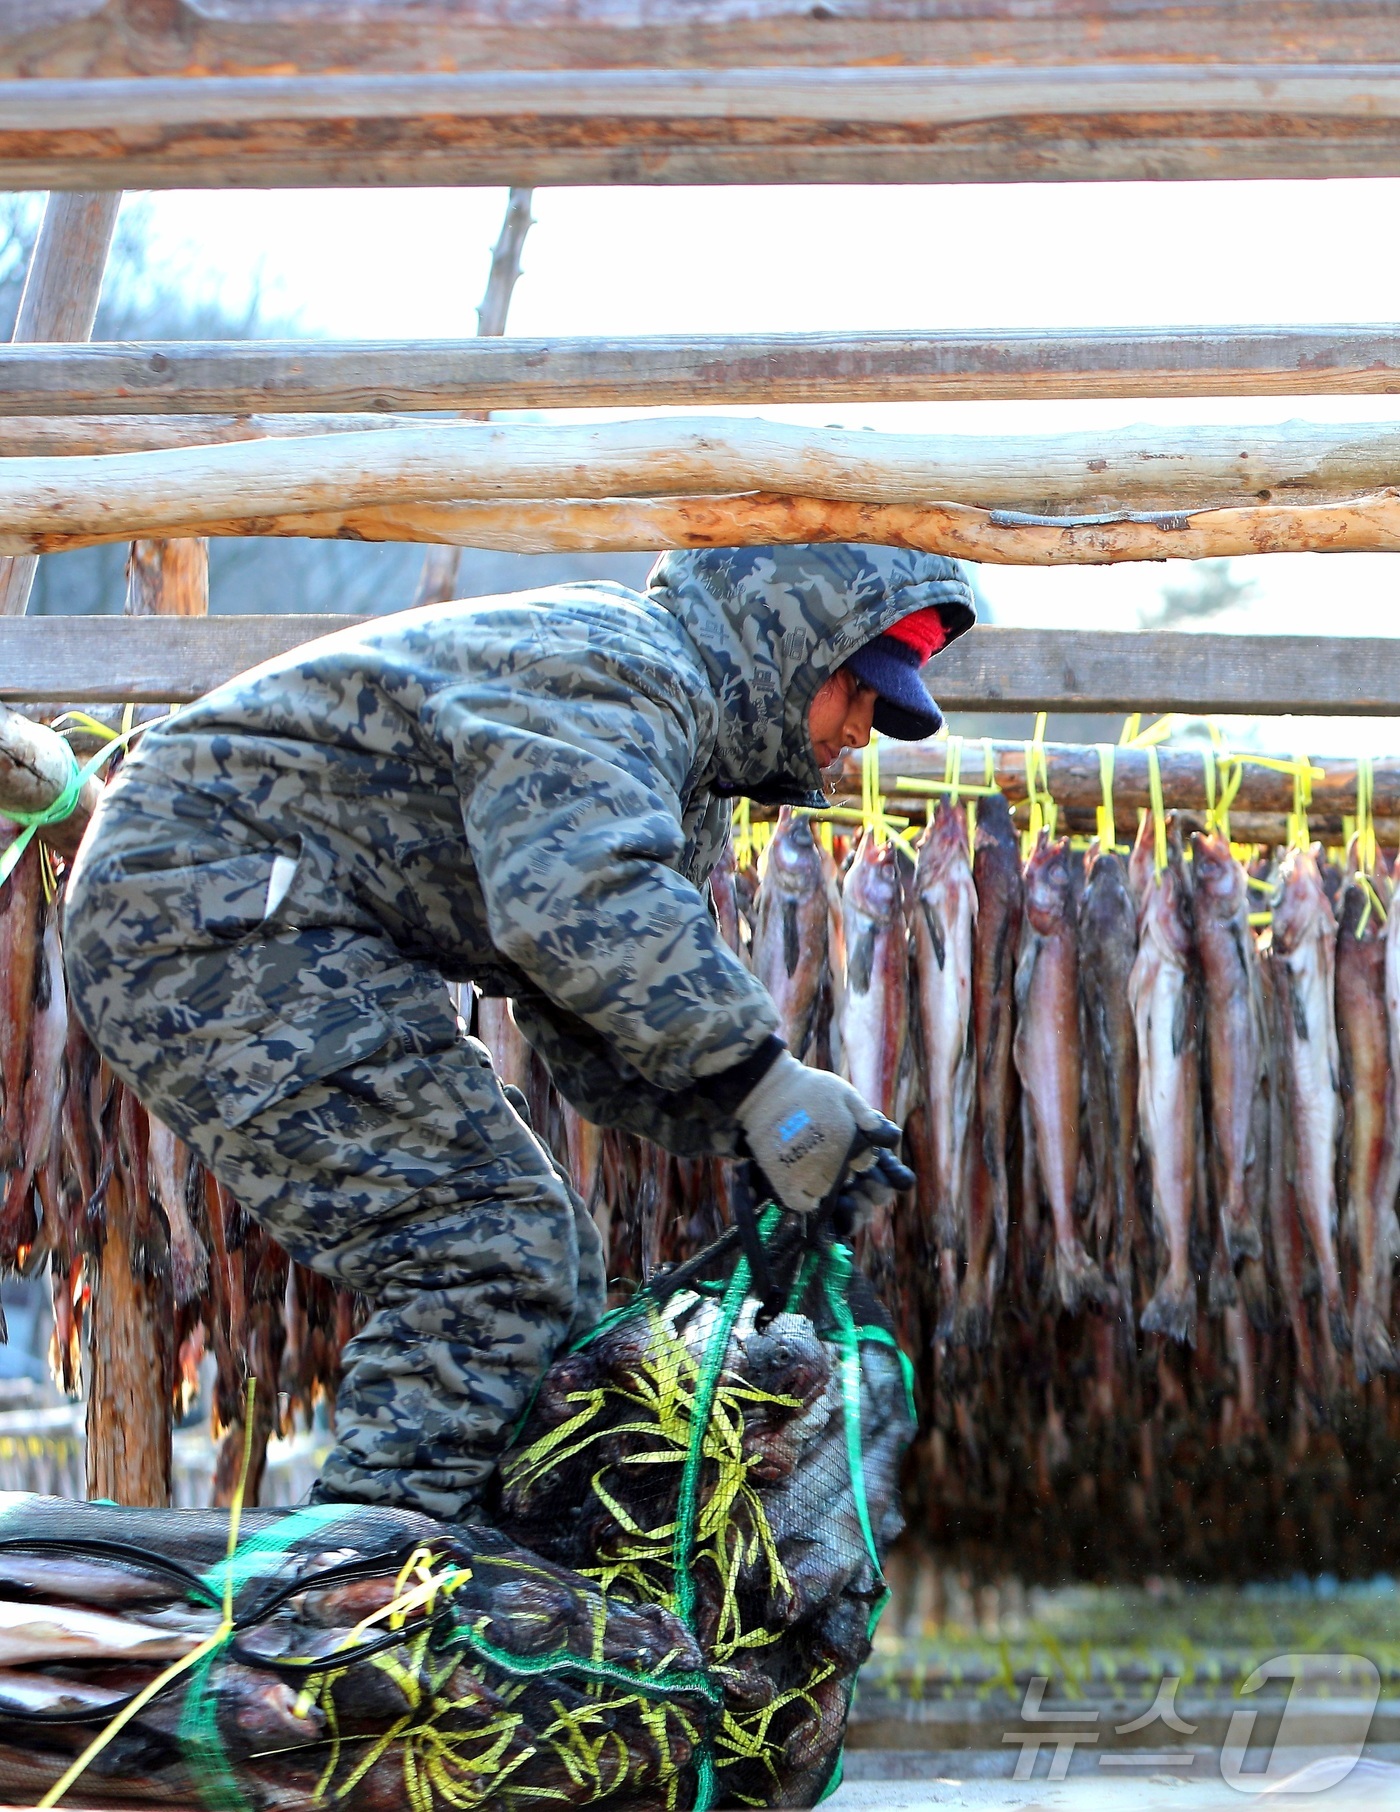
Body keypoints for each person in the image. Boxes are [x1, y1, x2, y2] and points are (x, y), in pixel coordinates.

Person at [63, 542, 974, 1523]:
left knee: (553, 1268)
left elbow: (592, 1015)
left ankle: (471, 1580)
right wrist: (762, 1078)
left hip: (272, 914)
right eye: (862, 695)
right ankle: (352, 1609)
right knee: (491, 1254)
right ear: (796, 648)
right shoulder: (618, 665)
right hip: (211, 896)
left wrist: (750, 1120)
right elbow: (578, 900)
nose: (865, 732)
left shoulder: (678, 765)